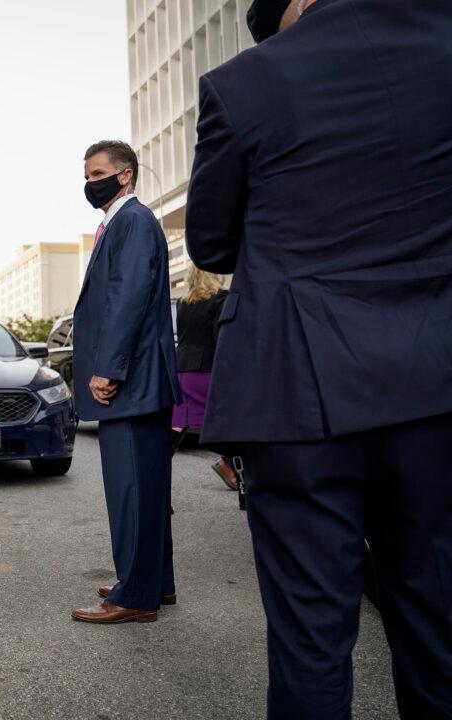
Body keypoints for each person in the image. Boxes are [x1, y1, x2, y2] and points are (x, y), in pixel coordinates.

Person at [187, 0, 452, 716]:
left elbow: (211, 244)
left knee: (311, 633)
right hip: (437, 379)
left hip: (300, 391)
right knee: (440, 621)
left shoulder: (245, 80)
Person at [70, 140, 181, 625]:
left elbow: (128, 296)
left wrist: (107, 367)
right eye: (87, 173)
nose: (90, 182)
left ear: (126, 176)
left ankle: (134, 595)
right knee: (149, 488)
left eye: (98, 173)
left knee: (131, 489)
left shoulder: (132, 220)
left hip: (130, 383)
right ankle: (155, 581)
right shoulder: (125, 221)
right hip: (141, 381)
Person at [171, 266, 238, 490]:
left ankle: (154, 479)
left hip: (181, 371)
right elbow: (221, 337)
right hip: (207, 371)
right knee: (227, 422)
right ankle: (232, 468)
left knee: (177, 425)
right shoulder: (221, 299)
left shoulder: (183, 304)